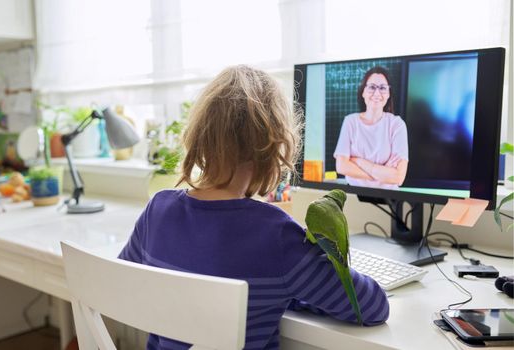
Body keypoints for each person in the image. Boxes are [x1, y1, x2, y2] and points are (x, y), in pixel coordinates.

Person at [119, 65, 389, 350]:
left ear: (199, 135)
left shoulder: (158, 210)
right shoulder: (278, 237)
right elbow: (373, 307)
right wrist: (295, 287)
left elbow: (122, 282)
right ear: (275, 148)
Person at [334, 66, 408, 189]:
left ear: (389, 93)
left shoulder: (397, 124)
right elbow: (341, 166)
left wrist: (358, 162)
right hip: (355, 196)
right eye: (372, 87)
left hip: (390, 199)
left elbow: (398, 177)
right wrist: (382, 173)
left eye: (383, 88)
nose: (377, 93)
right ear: (363, 91)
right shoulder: (350, 122)